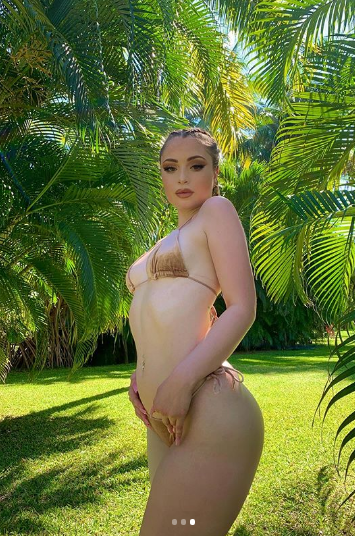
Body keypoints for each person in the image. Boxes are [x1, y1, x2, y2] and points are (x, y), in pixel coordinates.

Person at [126, 127, 264, 535]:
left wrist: (180, 382)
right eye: (171, 168)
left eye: (196, 165)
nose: (182, 177)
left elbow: (242, 307)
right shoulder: (167, 240)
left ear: (215, 172)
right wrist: (140, 375)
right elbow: (166, 315)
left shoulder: (216, 211)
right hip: (161, 415)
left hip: (204, 405)